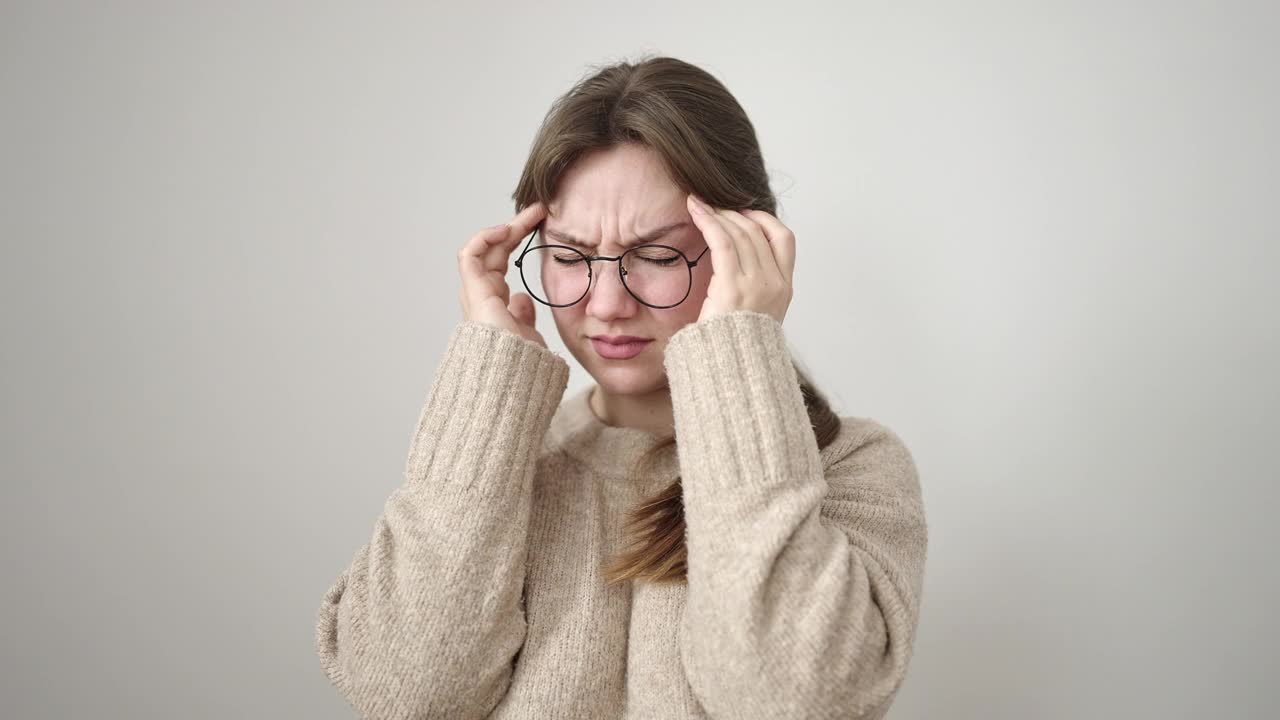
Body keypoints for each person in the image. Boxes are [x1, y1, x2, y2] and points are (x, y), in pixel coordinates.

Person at [314, 55, 928, 720]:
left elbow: (790, 703)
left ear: (748, 249)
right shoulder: (500, 467)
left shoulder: (851, 468)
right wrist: (488, 382)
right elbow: (405, 694)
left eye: (658, 256)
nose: (605, 303)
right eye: (571, 258)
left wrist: (739, 351)